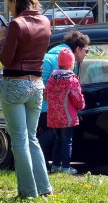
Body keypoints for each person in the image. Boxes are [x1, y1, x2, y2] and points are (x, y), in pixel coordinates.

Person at [0, 0, 52, 199]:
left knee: (19, 140)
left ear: (15, 1)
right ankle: (44, 187)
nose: (8, 7)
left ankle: (28, 192)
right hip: (37, 84)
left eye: (8, 3)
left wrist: (1, 38)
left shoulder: (16, 25)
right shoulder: (46, 22)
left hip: (14, 83)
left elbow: (6, 58)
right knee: (32, 138)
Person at [39, 30, 91, 165]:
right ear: (78, 49)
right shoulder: (61, 61)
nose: (86, 54)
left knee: (57, 137)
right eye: (86, 51)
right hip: (46, 110)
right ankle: (53, 163)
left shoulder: (57, 56)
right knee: (59, 137)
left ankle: (53, 165)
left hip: (46, 108)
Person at [44, 48, 85, 174]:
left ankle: (55, 165)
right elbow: (77, 98)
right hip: (67, 116)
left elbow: (46, 95)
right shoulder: (72, 80)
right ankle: (66, 167)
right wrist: (81, 106)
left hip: (53, 116)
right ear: (70, 64)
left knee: (57, 140)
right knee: (67, 141)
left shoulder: (52, 79)